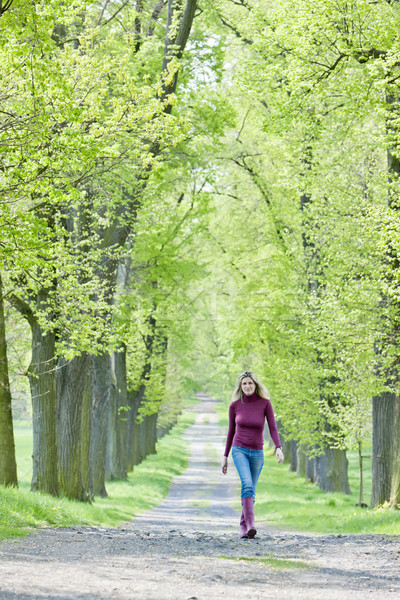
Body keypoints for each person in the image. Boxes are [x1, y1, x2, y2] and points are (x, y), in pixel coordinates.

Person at [221, 370, 284, 539]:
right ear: (240, 387)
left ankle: (244, 527)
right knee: (247, 484)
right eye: (244, 384)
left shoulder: (265, 403)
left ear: (255, 385)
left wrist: (278, 447)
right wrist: (225, 456)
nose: (247, 386)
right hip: (239, 449)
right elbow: (230, 431)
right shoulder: (235, 406)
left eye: (250, 383)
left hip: (257, 452)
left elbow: (272, 427)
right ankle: (251, 524)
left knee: (251, 491)